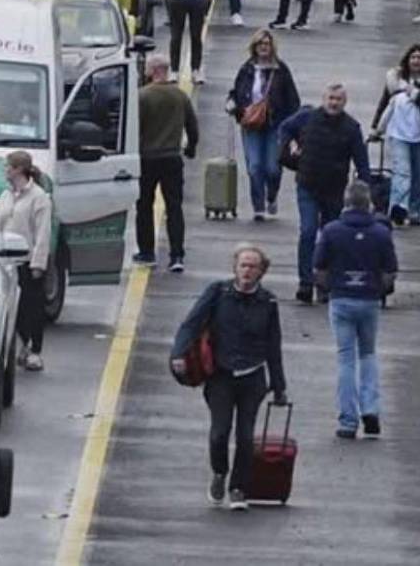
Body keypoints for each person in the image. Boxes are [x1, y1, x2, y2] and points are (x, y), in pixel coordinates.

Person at [170, 245, 287, 511]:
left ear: (262, 271)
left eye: (253, 266)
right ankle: (219, 473)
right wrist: (177, 354)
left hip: (252, 377)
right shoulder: (217, 293)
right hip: (221, 375)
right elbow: (191, 324)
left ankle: (238, 488)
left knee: (246, 437)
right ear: (234, 267)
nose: (247, 271)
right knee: (219, 433)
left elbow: (273, 345)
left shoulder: (268, 302)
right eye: (243, 265)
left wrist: (279, 386)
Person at [313, 181, 397, 439]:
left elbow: (318, 268)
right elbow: (390, 272)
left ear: (345, 202)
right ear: (368, 203)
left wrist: (331, 288)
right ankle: (370, 409)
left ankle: (348, 420)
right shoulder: (381, 233)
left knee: (345, 358)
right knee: (368, 355)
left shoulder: (331, 231)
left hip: (341, 299)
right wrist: (377, 290)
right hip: (369, 300)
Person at [278, 83, 372, 303]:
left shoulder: (351, 128)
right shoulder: (307, 118)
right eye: (331, 98)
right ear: (324, 99)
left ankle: (325, 282)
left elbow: (362, 162)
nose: (334, 103)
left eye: (338, 99)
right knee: (308, 231)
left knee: (331, 236)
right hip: (307, 184)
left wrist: (366, 194)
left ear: (344, 102)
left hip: (335, 189)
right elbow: (285, 128)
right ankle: (305, 282)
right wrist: (289, 145)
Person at [225, 30, 301, 221]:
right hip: (251, 124)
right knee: (255, 166)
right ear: (254, 47)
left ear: (272, 46)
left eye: (266, 43)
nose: (263, 47)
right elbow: (237, 91)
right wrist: (233, 105)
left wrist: (293, 132)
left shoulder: (281, 70)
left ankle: (272, 196)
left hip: (276, 125)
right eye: (260, 44)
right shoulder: (247, 69)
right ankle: (258, 206)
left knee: (273, 168)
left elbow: (293, 101)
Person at [135, 54, 198, 272]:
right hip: (172, 158)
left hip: (147, 158)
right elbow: (192, 126)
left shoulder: (142, 96)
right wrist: (191, 148)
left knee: (144, 206)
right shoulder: (180, 96)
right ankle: (177, 255)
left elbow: (135, 129)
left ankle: (147, 252)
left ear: (152, 71)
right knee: (174, 207)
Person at [0, 150, 53, 372]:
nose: (5, 170)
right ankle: (20, 347)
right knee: (14, 309)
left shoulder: (38, 198)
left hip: (27, 262)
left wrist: (38, 263)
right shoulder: (6, 195)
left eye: (8, 166)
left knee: (32, 309)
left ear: (18, 169)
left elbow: (42, 233)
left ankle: (35, 350)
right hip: (7, 262)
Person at [370, 45, 420, 225]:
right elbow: (386, 107)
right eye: (413, 57)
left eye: (419, 58)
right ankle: (397, 208)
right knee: (402, 173)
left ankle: (414, 209)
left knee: (418, 175)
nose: (416, 61)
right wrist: (377, 129)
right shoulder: (395, 83)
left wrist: (415, 94)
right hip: (399, 135)